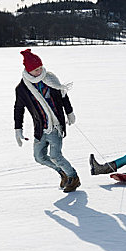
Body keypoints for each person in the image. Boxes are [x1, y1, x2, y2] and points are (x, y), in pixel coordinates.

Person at [14, 49, 80, 192]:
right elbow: (18, 109)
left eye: (40, 68)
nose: (40, 71)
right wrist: (18, 130)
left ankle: (73, 177)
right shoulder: (22, 89)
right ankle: (62, 172)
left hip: (55, 127)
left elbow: (63, 96)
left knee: (56, 156)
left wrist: (69, 113)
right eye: (36, 70)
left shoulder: (50, 79)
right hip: (40, 128)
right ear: (28, 70)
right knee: (39, 157)